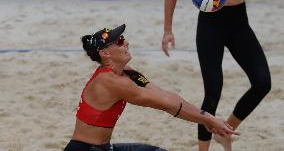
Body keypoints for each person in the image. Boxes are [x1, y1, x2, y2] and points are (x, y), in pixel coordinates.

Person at [64, 24, 238, 151]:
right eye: (119, 42)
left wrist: (205, 119)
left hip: (103, 147)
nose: (126, 44)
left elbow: (162, 94)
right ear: (105, 53)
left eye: (123, 39)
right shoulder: (112, 82)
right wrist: (207, 119)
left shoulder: (122, 71)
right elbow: (167, 104)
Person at [162, 0, 271, 151]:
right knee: (213, 92)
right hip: (210, 26)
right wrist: (167, 30)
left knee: (262, 83)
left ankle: (224, 132)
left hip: (239, 22)